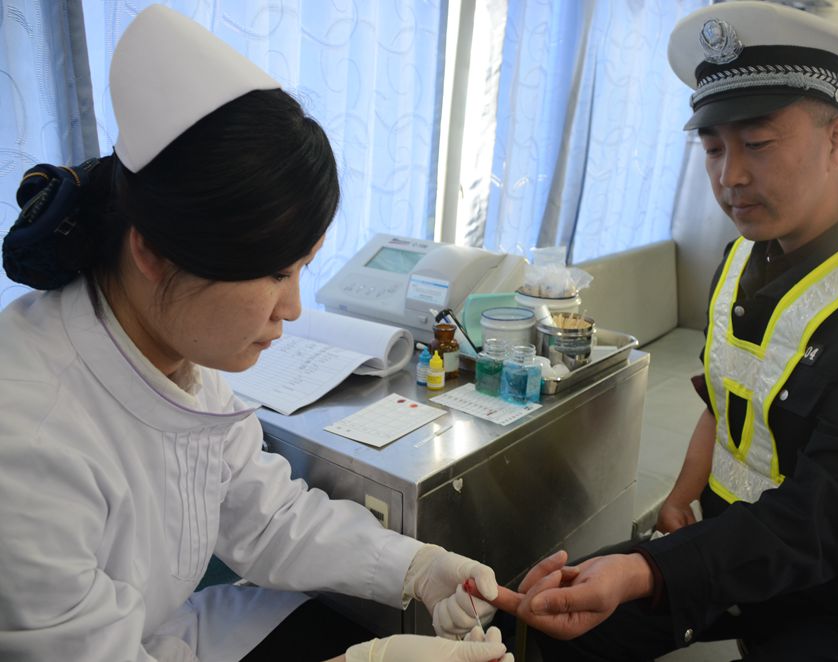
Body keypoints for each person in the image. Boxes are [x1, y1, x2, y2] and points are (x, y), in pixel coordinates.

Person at [0, 6, 513, 662]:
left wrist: (415, 566)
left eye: (302, 268)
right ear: (153, 252)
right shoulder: (28, 443)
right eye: (273, 273)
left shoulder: (174, 354)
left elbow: (263, 514)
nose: (292, 308)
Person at [491, 2, 838, 661]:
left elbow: (834, 515)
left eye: (757, 144)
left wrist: (654, 569)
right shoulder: (742, 258)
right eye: (713, 148)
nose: (730, 177)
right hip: (740, 555)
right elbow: (725, 399)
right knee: (542, 621)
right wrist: (680, 499)